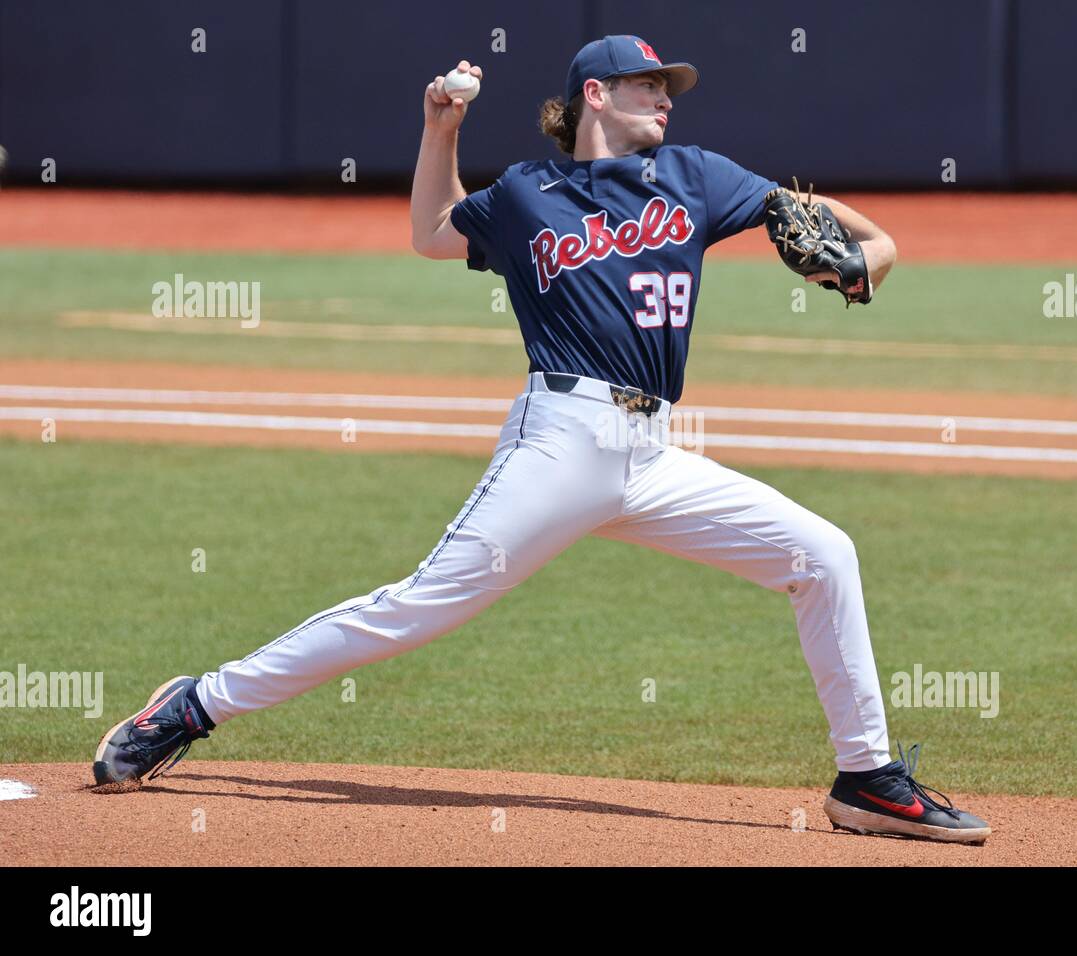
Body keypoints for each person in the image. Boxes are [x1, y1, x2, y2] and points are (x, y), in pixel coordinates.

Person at [93, 35, 989, 844]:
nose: (665, 97)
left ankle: (867, 779)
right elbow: (430, 235)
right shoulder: (528, 192)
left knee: (823, 554)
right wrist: (440, 126)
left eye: (667, 86)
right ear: (594, 95)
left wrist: (866, 252)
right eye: (646, 84)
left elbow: (844, 231)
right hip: (558, 444)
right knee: (418, 606)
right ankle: (194, 705)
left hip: (653, 455)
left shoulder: (696, 175)